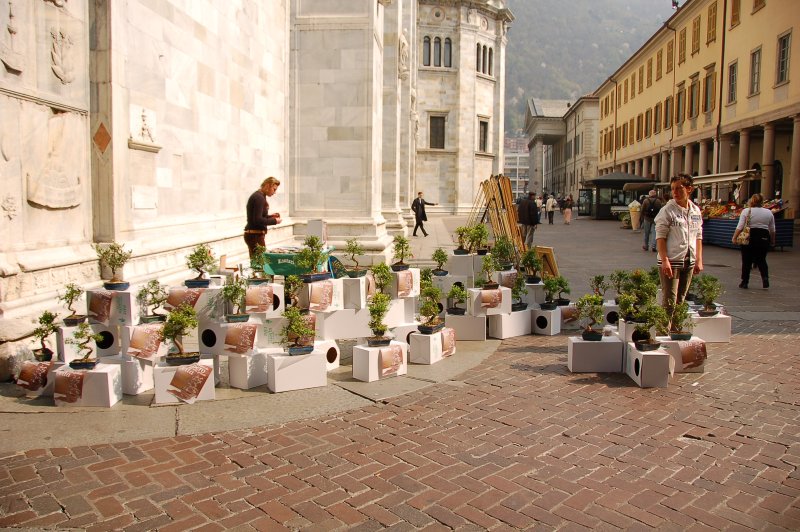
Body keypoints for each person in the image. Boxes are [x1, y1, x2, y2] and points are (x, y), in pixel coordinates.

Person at [655, 174, 703, 323]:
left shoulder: (695, 210)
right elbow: (660, 237)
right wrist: (664, 260)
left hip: (689, 260)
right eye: (672, 189)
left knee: (681, 299)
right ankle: (664, 331)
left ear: (689, 189)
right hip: (672, 260)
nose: (675, 192)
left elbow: (698, 236)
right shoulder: (667, 210)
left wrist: (698, 260)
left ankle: (675, 329)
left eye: (679, 188)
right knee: (670, 299)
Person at [731, 193, 775, 289]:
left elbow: (740, 226)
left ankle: (745, 281)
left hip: (750, 236)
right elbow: (772, 229)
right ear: (762, 201)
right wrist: (772, 240)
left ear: (752, 201)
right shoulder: (768, 212)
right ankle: (765, 278)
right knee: (761, 259)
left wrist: (734, 237)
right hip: (764, 236)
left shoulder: (746, 211)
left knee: (747, 260)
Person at [244, 177, 281, 258]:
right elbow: (257, 220)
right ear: (268, 186)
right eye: (274, 189)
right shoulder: (259, 198)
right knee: (260, 264)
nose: (274, 192)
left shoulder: (260, 196)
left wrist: (271, 216)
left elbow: (257, 217)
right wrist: (274, 221)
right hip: (255, 236)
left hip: (254, 235)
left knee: (258, 263)